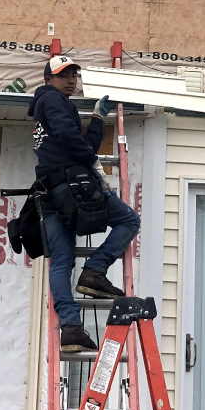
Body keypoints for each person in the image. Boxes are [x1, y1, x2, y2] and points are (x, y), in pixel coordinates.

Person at [28, 55, 142, 353]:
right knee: (129, 220)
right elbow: (74, 142)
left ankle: (71, 328)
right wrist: (92, 162)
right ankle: (94, 270)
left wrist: (95, 120)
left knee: (61, 262)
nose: (71, 80)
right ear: (48, 79)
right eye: (64, 75)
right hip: (72, 188)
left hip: (51, 194)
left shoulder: (52, 107)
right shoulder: (51, 99)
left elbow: (82, 145)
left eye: (74, 75)